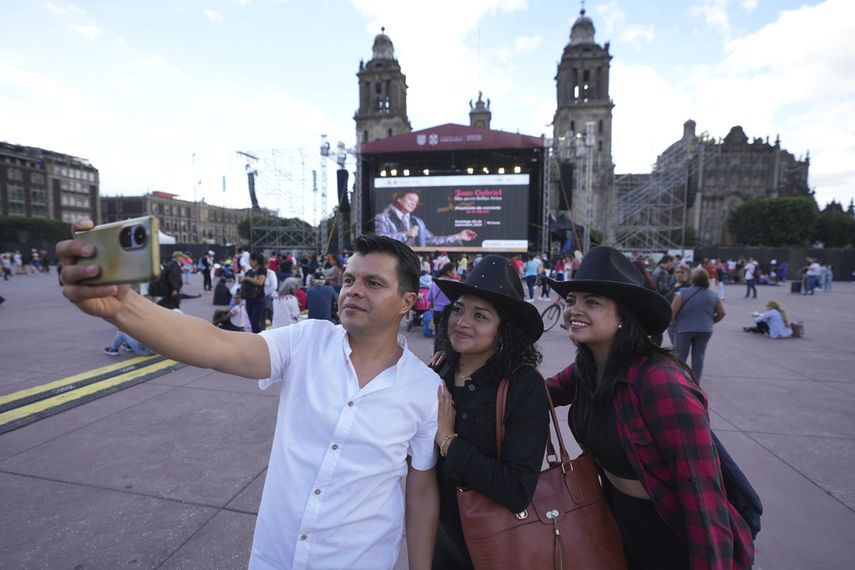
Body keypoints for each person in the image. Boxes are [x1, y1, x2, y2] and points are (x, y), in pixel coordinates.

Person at [58, 225, 441, 570]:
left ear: (408, 301)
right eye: (349, 279)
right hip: (274, 556)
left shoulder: (424, 388)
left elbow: (421, 492)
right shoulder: (306, 341)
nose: (353, 290)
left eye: (373, 283)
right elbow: (215, 345)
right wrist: (121, 306)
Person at [543, 246, 753, 569]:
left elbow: (703, 496)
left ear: (624, 316)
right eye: (573, 300)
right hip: (622, 524)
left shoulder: (661, 382)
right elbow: (539, 393)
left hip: (672, 536)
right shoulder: (588, 368)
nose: (574, 310)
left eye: (592, 301)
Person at [430, 255, 549, 569]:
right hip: (438, 539)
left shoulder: (523, 387)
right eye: (458, 309)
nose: (462, 322)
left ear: (504, 331)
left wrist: (449, 442)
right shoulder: (437, 373)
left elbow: (517, 489)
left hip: (498, 545)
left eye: (480, 315)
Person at [670, 268, 726, 382]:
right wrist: (711, 321)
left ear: (692, 278)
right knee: (699, 357)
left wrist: (675, 322)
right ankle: (695, 382)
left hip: (684, 329)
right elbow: (722, 313)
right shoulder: (714, 295)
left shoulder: (681, 293)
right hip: (705, 329)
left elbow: (672, 312)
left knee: (680, 357)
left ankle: (679, 381)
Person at [374, 190, 478, 247]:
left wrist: (459, 236)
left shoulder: (417, 222)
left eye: (416, 202)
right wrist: (405, 234)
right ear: (399, 199)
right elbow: (379, 240)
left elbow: (432, 240)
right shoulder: (382, 217)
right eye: (411, 199)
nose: (413, 203)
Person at [239, 252, 267, 333]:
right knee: (252, 322)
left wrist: (247, 278)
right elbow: (243, 280)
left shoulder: (262, 270)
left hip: (259, 299)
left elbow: (260, 282)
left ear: (255, 261)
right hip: (249, 298)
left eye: (250, 260)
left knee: (255, 322)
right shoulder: (249, 271)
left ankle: (259, 338)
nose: (249, 262)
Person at [666, 264, 692, 346]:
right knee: (674, 344)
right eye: (677, 272)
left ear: (688, 274)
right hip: (670, 320)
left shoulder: (689, 287)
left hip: (681, 320)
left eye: (682, 272)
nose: (679, 274)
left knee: (678, 347)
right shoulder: (673, 284)